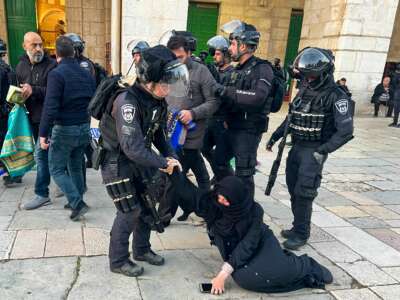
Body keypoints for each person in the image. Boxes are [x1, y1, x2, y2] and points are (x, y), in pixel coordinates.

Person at [99, 45, 188, 277]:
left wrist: (172, 155)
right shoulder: (127, 101)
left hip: (140, 159)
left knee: (148, 206)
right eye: (166, 83)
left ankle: (141, 250)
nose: (169, 88)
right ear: (150, 79)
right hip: (116, 162)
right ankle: (118, 260)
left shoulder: (156, 99)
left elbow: (159, 134)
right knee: (129, 211)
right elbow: (132, 148)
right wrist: (163, 163)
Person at [170, 174, 333, 295]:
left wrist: (223, 273)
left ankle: (306, 265)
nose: (223, 203)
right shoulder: (213, 204)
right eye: (220, 199)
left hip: (259, 242)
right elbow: (190, 193)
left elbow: (249, 243)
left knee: (273, 273)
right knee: (246, 278)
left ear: (238, 198)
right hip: (235, 249)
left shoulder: (254, 211)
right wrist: (173, 172)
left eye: (227, 200)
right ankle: (281, 259)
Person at [267, 48, 354, 250]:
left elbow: (346, 131)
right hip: (296, 147)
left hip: (314, 150)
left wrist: (323, 150)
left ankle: (302, 233)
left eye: (311, 75)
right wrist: (275, 136)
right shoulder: (305, 89)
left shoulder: (337, 96)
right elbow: (292, 117)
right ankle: (297, 226)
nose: (307, 79)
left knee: (304, 192)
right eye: (305, 76)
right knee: (292, 189)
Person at [215, 20, 274, 200]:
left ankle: (246, 214)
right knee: (218, 162)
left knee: (244, 173)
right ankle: (230, 195)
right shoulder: (236, 70)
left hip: (248, 131)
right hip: (230, 127)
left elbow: (258, 97)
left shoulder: (262, 69)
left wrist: (228, 91)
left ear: (244, 46)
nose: (229, 48)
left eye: (233, 44)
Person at [39, 36, 96, 220]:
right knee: (76, 166)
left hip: (64, 128)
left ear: (57, 54)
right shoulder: (86, 73)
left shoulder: (56, 74)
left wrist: (43, 134)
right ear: (74, 53)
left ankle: (77, 203)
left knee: (56, 168)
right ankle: (75, 199)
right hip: (84, 127)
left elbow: (50, 106)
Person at [166, 35, 219, 221]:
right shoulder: (168, 70)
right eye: (173, 56)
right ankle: (205, 206)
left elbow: (214, 102)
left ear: (189, 53)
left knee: (173, 179)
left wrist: (193, 113)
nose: (176, 61)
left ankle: (166, 214)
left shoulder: (201, 72)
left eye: (180, 56)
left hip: (191, 135)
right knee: (200, 174)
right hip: (170, 135)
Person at [16, 32, 57, 205]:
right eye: (34, 45)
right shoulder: (20, 67)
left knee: (41, 156)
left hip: (48, 119)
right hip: (30, 118)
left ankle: (42, 193)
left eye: (40, 44)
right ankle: (66, 183)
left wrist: (34, 90)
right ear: (25, 46)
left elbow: (56, 93)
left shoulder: (52, 66)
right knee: (47, 155)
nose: (39, 48)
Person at [201, 35, 234, 183]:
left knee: (221, 155)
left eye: (218, 53)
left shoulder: (233, 74)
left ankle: (227, 178)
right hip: (211, 118)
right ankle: (220, 173)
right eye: (214, 53)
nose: (214, 56)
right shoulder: (215, 71)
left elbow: (228, 97)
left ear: (227, 55)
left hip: (223, 121)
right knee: (203, 147)